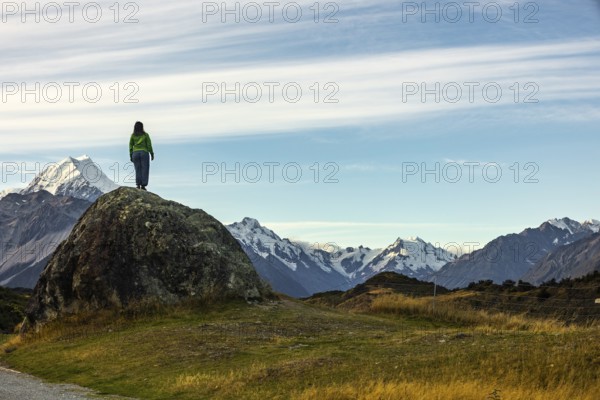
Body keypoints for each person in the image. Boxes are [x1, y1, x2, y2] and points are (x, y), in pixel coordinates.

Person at [129, 121, 154, 190]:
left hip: (135, 153)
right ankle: (143, 185)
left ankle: (138, 185)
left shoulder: (133, 135)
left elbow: (130, 146)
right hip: (144, 153)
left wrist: (131, 155)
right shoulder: (145, 135)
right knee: (145, 169)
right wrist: (152, 153)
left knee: (137, 169)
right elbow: (149, 145)